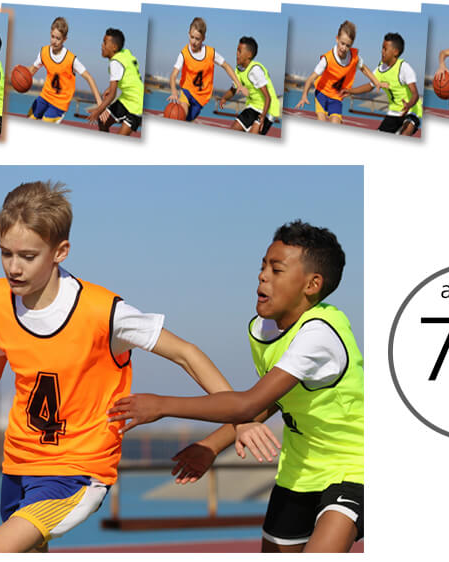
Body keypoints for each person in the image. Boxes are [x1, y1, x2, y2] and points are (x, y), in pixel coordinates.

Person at [0, 181, 235, 553]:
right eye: (5, 254)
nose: (14, 267)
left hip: (77, 472)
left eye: (27, 256)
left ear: (60, 252)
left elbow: (186, 352)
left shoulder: (103, 311)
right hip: (18, 465)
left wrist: (241, 412)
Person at [109, 220, 364, 554]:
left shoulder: (319, 335)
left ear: (312, 285)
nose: (263, 276)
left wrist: (162, 405)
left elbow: (247, 404)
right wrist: (212, 446)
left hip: (356, 466)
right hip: (299, 471)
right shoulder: (265, 329)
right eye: (262, 266)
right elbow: (272, 401)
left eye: (277, 269)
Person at [294, 21, 384, 123]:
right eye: (342, 43)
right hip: (322, 93)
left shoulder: (354, 57)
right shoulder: (327, 59)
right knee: (321, 121)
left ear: (352, 45)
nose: (344, 48)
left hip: (336, 97)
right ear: (337, 39)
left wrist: (376, 82)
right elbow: (310, 78)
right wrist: (304, 95)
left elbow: (364, 69)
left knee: (335, 123)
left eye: (348, 45)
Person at [167, 17, 246, 122]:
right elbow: (173, 75)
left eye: (197, 39)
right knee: (181, 113)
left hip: (201, 97)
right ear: (188, 34)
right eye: (192, 37)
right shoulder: (184, 53)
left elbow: (226, 66)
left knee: (188, 120)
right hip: (187, 91)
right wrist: (174, 92)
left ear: (203, 38)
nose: (193, 42)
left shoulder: (210, 53)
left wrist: (238, 84)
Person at [25, 17, 103, 123]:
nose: (54, 41)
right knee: (29, 121)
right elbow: (32, 70)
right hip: (44, 97)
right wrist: (20, 77)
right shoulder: (44, 52)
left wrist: (99, 103)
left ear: (64, 39)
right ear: (50, 33)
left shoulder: (71, 59)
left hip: (59, 104)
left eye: (58, 38)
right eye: (52, 37)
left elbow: (88, 77)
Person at [344, 32, 421, 135]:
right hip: (394, 112)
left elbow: (415, 94)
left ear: (395, 52)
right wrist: (350, 91)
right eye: (382, 48)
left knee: (407, 130)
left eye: (385, 49)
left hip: (412, 110)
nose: (382, 51)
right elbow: (369, 86)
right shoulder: (380, 69)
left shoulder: (404, 68)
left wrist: (408, 105)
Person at [85, 28, 144, 136]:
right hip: (126, 100)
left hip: (136, 106)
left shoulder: (115, 63)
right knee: (102, 121)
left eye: (105, 42)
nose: (102, 45)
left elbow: (112, 95)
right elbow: (127, 75)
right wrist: (110, 87)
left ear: (114, 47)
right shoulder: (124, 53)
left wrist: (97, 111)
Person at [217, 36, 280, 135]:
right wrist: (224, 98)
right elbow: (233, 90)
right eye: (237, 51)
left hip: (267, 109)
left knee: (253, 133)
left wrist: (263, 117)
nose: (236, 54)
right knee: (234, 128)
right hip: (253, 106)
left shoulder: (255, 70)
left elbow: (268, 97)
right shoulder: (238, 70)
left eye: (239, 51)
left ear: (249, 55)